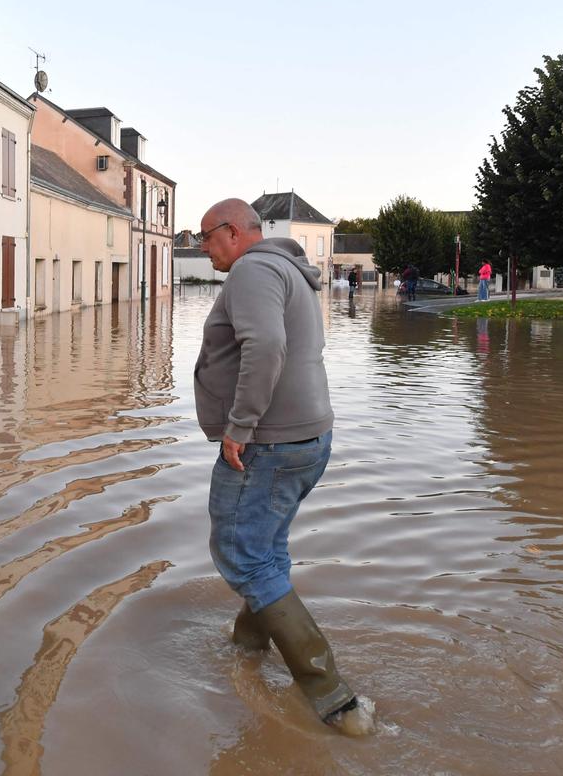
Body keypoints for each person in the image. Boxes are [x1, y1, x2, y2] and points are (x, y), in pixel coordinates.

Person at [194, 199, 374, 735]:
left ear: (231, 232)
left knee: (241, 553)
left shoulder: (251, 271)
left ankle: (333, 698)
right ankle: (249, 646)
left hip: (266, 444)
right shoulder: (287, 269)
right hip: (307, 438)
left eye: (205, 237)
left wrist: (240, 426)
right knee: (266, 548)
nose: (202, 247)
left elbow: (267, 346)